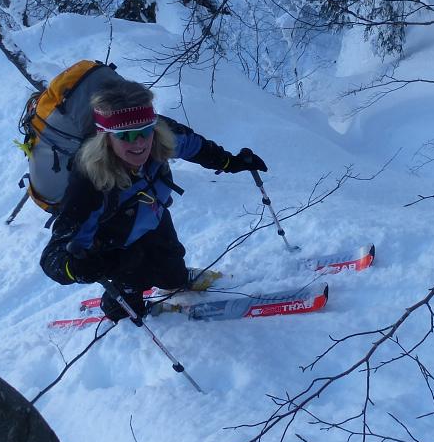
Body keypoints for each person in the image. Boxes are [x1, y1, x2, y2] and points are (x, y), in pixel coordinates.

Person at [38, 79, 266, 321]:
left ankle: (176, 280)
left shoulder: (162, 136)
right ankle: (117, 306)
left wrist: (231, 162)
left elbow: (197, 147)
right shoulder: (90, 181)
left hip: (153, 217)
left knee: (172, 272)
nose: (139, 143)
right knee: (129, 297)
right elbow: (53, 256)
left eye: (145, 131)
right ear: (106, 138)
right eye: (125, 135)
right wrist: (74, 267)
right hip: (116, 245)